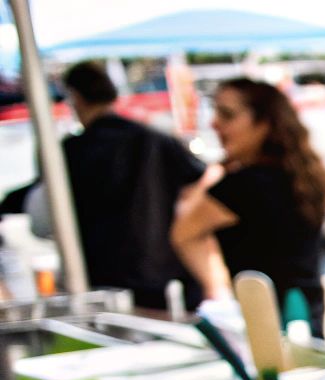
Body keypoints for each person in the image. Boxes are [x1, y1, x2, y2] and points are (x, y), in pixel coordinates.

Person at [0, 62, 206, 309]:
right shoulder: (154, 138)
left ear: (75, 97)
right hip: (159, 267)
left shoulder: (73, 150)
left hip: (104, 272)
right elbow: (202, 178)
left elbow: (40, 201)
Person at [171, 78, 325, 337]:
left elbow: (183, 232)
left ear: (263, 122)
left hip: (269, 318)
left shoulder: (244, 185)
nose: (215, 123)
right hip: (302, 308)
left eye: (227, 115)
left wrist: (213, 175)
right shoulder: (301, 174)